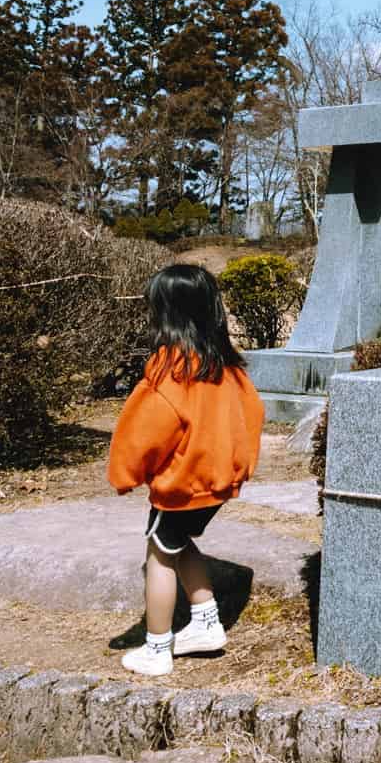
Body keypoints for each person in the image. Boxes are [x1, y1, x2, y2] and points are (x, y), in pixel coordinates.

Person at [107, 263, 264, 677]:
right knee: (179, 544)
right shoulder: (228, 366)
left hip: (180, 484)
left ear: (166, 314)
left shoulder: (169, 370)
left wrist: (125, 473)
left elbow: (144, 433)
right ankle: (207, 623)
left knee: (158, 555)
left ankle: (157, 646)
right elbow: (253, 415)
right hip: (215, 485)